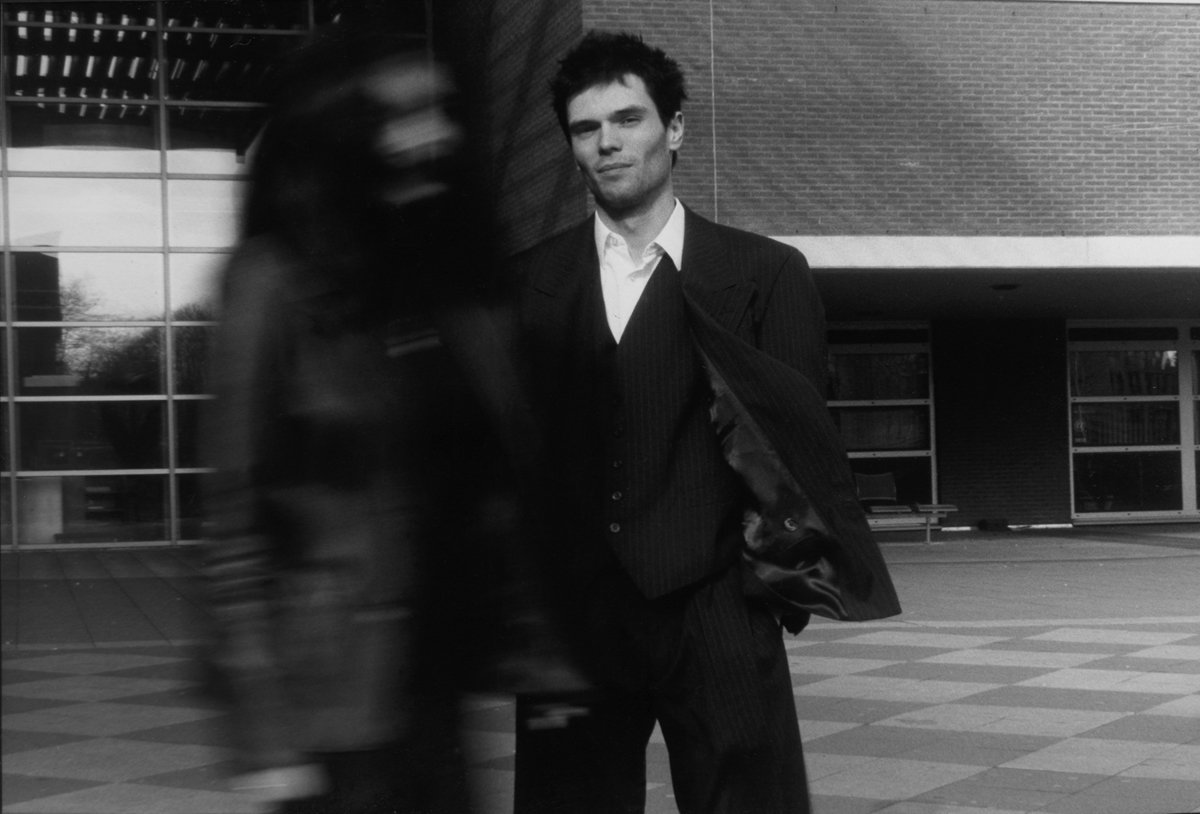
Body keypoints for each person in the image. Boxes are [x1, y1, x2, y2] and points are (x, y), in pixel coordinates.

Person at [509, 31, 902, 814]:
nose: (608, 142)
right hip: (577, 623)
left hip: (719, 610)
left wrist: (765, 594)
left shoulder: (764, 275)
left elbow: (801, 453)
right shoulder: (527, 285)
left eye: (628, 118)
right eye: (587, 129)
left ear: (675, 128)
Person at [200, 25, 581, 814]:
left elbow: (496, 482)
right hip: (335, 690)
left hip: (436, 673)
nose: (433, 134)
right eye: (402, 116)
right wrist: (261, 717)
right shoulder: (274, 283)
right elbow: (234, 516)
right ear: (347, 135)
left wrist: (535, 638)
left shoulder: (447, 286)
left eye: (440, 110)